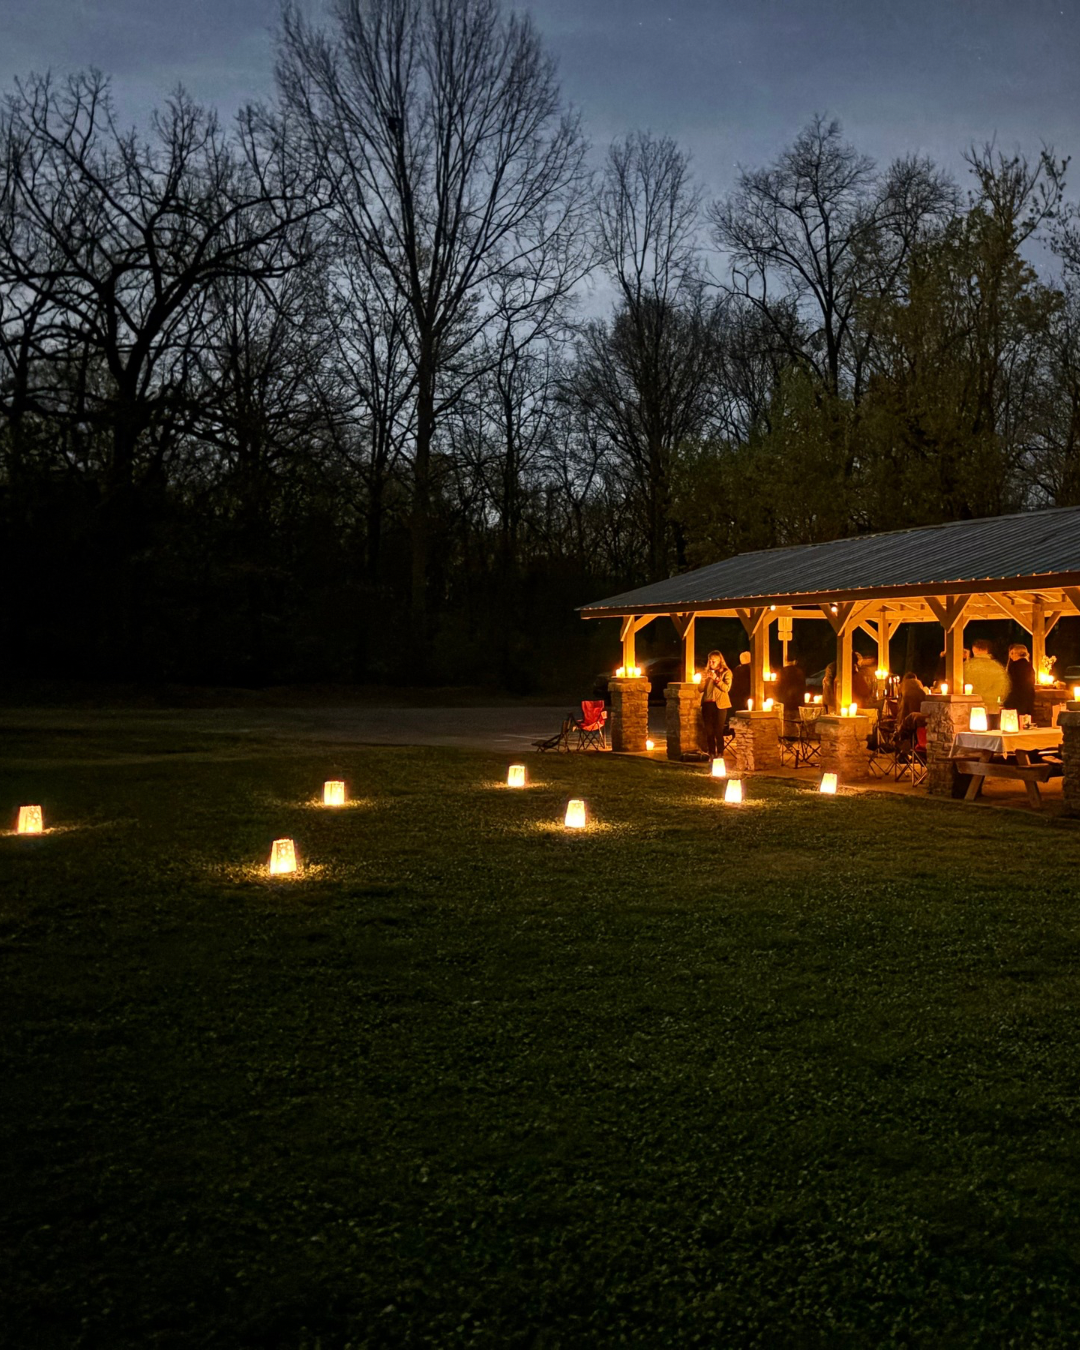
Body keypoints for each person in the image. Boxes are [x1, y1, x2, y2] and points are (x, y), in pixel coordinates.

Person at [700, 650, 733, 758]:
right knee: (709, 730)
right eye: (710, 661)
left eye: (714, 661)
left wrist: (716, 679)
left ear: (720, 661)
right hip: (707, 704)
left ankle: (720, 752)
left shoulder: (726, 672)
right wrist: (702, 681)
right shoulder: (706, 673)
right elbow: (700, 689)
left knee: (718, 730)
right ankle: (711, 753)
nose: (711, 663)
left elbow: (726, 688)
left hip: (720, 705)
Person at [964, 639, 1009, 708]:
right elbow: (1003, 688)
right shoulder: (997, 667)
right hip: (992, 707)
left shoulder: (967, 666)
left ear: (974, 649)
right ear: (987, 650)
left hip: (971, 706)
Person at [1004, 643, 1036, 720]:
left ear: (1015, 653)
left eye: (1012, 653)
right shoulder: (1029, 666)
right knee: (1025, 720)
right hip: (1028, 697)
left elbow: (1009, 682)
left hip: (1016, 698)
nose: (1011, 656)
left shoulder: (1014, 666)